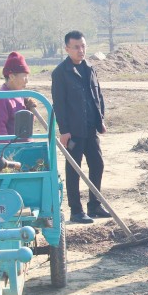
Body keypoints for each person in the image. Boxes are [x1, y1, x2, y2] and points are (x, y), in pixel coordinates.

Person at [51, 30, 110, 224]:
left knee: (97, 165)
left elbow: (97, 96)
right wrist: (64, 130)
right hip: (74, 132)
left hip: (91, 129)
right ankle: (76, 211)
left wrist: (101, 119)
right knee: (74, 170)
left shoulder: (89, 69)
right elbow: (59, 104)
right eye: (76, 47)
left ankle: (94, 205)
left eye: (83, 46)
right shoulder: (60, 73)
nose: (81, 50)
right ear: (67, 48)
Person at [0, 51, 31, 136]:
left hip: (25, 146)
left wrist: (29, 109)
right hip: (14, 148)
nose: (27, 80)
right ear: (11, 77)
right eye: (24, 76)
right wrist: (7, 149)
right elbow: (0, 129)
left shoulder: (19, 95)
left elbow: (25, 126)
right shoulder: (1, 98)